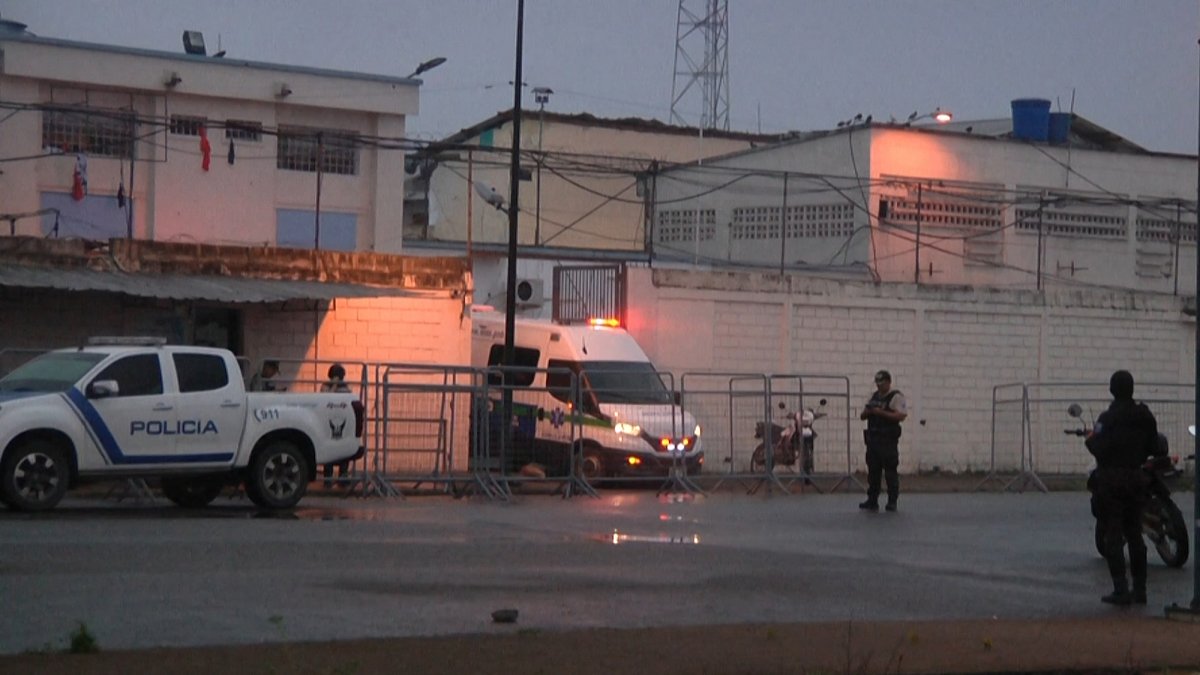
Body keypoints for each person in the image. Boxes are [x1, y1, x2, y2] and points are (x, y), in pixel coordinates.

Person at [1086, 370, 1159, 605]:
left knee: (1114, 536)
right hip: (1136, 478)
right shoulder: (1145, 415)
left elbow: (1098, 447)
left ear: (1112, 389)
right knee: (1135, 534)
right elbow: (1154, 444)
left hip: (1112, 480)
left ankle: (1120, 588)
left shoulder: (1107, 418)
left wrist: (1089, 440)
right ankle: (1140, 589)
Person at [859, 370, 907, 512]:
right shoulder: (873, 396)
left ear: (888, 382)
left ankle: (892, 501)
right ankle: (872, 500)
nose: (879, 387)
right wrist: (869, 412)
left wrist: (882, 413)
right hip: (873, 440)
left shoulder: (896, 397)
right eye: (878, 384)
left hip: (888, 440)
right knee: (873, 471)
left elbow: (901, 416)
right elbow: (862, 415)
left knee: (890, 471)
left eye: (882, 383)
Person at [321, 364, 353, 486]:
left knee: (344, 448)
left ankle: (343, 476)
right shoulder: (325, 386)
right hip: (329, 420)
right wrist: (334, 385)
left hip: (342, 419)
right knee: (329, 448)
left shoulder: (345, 387)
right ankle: (327, 477)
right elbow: (326, 398)